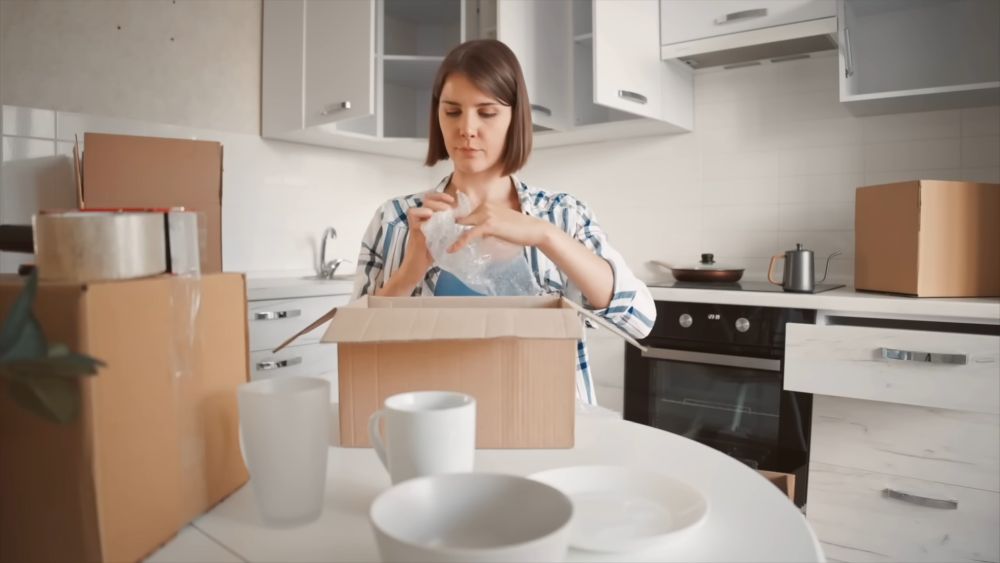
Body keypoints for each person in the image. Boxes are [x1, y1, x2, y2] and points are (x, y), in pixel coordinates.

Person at [352, 39, 655, 405]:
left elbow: (639, 320)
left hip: (543, 414)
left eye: (487, 112)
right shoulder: (396, 220)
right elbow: (357, 348)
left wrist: (545, 236)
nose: (467, 128)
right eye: (452, 111)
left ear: (515, 117)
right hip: (434, 418)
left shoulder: (562, 214)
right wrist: (411, 269)